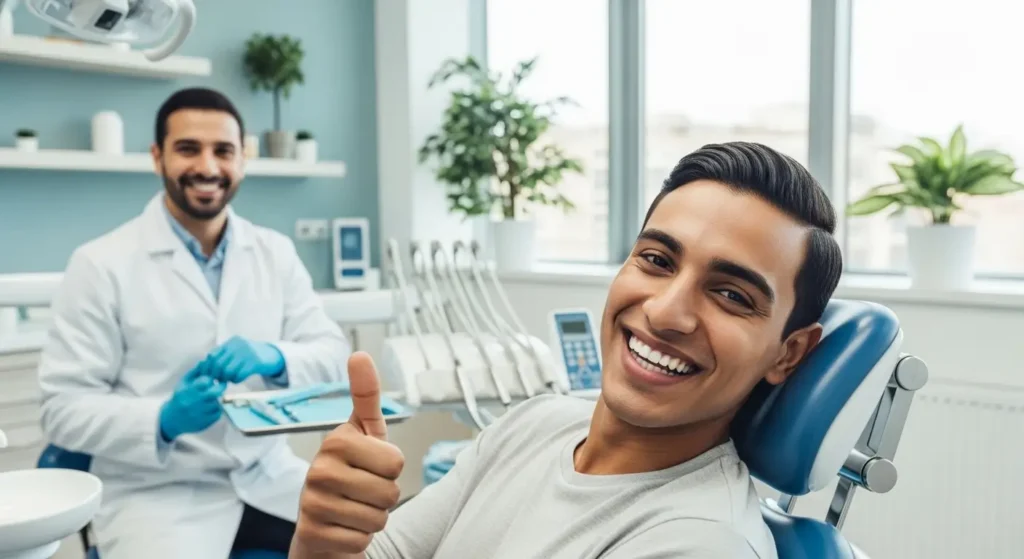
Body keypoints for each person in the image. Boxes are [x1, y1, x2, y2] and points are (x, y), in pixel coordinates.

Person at [289, 142, 844, 558]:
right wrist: (320, 540)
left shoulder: (700, 541)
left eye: (730, 294)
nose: (664, 312)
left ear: (787, 354)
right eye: (656, 260)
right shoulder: (534, 423)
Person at [37, 87, 351, 559]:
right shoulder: (100, 264)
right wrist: (162, 420)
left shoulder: (274, 253)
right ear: (156, 156)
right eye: (188, 149)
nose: (207, 167)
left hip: (269, 478)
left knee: (373, 545)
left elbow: (333, 358)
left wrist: (276, 356)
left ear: (242, 159)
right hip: (156, 497)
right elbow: (61, 410)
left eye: (223, 151)